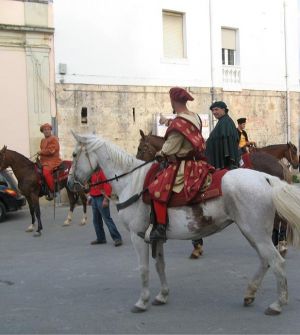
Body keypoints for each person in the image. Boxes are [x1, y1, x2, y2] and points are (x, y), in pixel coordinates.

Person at [139, 87, 215, 242]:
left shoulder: (178, 122)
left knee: (156, 190)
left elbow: (169, 147)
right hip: (197, 162)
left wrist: (159, 154)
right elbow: (183, 128)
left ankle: (160, 228)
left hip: (182, 165)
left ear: (173, 101)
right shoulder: (195, 117)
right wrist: (166, 121)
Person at [88, 168, 123, 247]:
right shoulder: (92, 172)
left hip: (101, 197)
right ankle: (101, 238)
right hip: (94, 198)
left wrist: (106, 199)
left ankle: (117, 238)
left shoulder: (103, 172)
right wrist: (90, 196)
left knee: (107, 219)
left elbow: (107, 185)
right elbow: (92, 185)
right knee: (96, 220)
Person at [205, 101, 240, 170]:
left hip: (224, 164)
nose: (214, 112)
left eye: (216, 109)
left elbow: (227, 144)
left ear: (223, 109)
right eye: (212, 110)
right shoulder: (223, 121)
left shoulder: (225, 122)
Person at [38, 123, 62, 200]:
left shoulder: (54, 139)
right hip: (43, 161)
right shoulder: (42, 140)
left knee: (45, 173)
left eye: (48, 129)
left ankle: (52, 190)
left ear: (50, 130)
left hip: (52, 161)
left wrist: (41, 152)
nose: (47, 131)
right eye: (45, 130)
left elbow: (51, 151)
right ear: (42, 131)